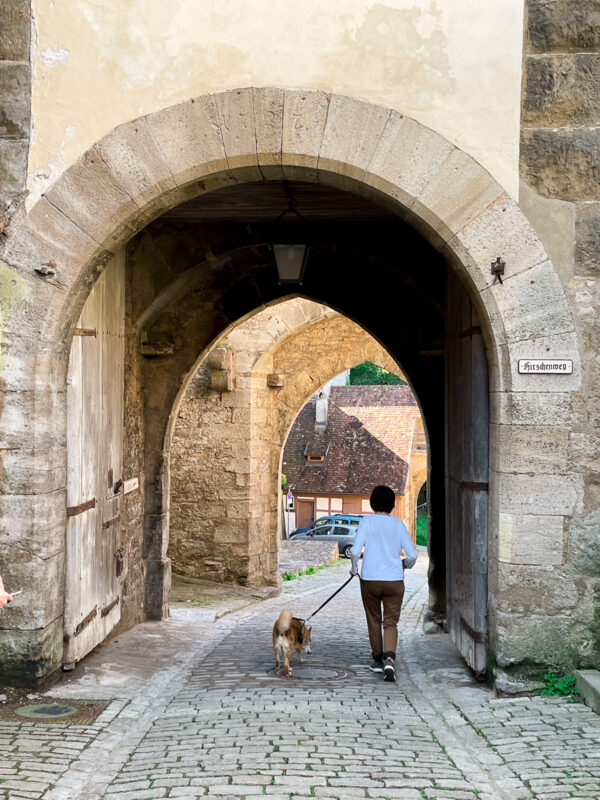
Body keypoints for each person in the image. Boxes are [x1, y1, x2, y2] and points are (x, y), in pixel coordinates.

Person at [350, 485, 418, 682]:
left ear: (372, 503)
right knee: (390, 621)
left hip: (370, 579)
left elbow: (354, 551)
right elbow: (412, 555)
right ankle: (389, 658)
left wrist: (354, 569)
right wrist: (404, 564)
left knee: (373, 619)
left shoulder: (367, 522)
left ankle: (377, 660)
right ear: (391, 505)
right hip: (394, 580)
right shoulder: (398, 525)